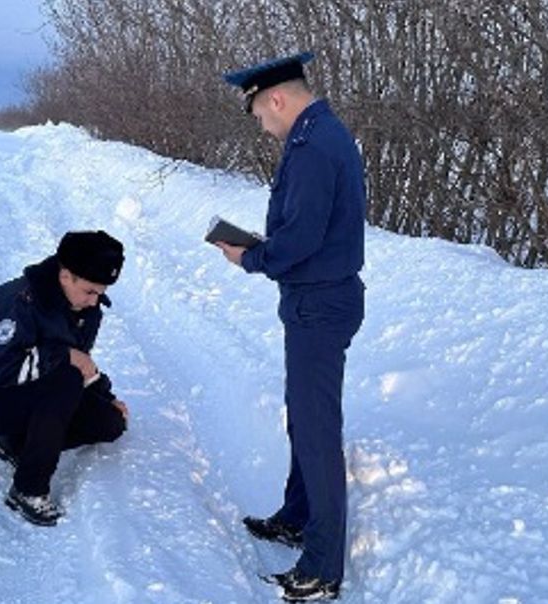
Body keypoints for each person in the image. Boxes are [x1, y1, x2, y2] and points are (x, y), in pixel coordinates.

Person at [217, 52, 366, 601]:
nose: (263, 125)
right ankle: (298, 516)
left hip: (319, 305)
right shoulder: (320, 135)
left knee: (316, 430)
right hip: (317, 299)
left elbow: (301, 239)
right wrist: (268, 247)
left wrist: (251, 258)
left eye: (260, 114)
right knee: (303, 420)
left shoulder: (312, 147)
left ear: (276, 99)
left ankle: (323, 569)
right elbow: (309, 229)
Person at [0, 230, 129, 526]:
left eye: (100, 293)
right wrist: (63, 356)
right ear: (65, 275)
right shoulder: (16, 303)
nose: (94, 301)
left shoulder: (87, 309)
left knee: (109, 423)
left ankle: (14, 444)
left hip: (38, 388)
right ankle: (28, 489)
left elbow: (80, 360)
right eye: (90, 291)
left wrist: (106, 396)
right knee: (65, 379)